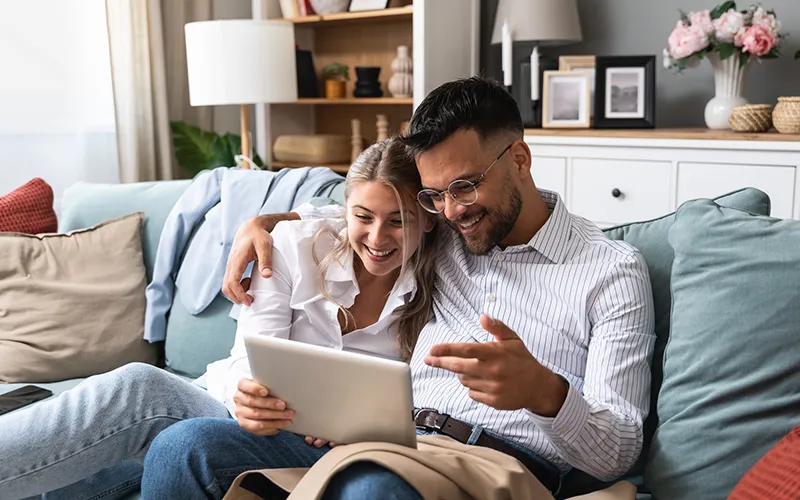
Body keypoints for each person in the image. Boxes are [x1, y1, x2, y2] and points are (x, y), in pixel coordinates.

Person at [142, 76, 656, 499]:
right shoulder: (446, 233)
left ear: (519, 159)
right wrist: (266, 221)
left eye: (465, 186)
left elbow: (618, 451)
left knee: (370, 491)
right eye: (435, 196)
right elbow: (367, 216)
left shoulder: (609, 272)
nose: (453, 210)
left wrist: (544, 392)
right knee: (184, 446)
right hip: (382, 441)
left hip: (494, 463)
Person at [0, 137, 437, 500]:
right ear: (346, 210)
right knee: (130, 412)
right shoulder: (292, 244)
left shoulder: (448, 278)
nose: (378, 237)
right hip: (243, 418)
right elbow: (250, 357)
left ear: (430, 219)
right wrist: (246, 394)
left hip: (345, 448)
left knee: (147, 399)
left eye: (399, 222)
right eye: (363, 217)